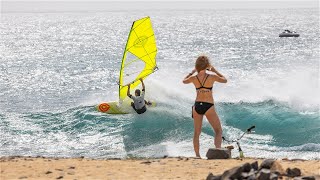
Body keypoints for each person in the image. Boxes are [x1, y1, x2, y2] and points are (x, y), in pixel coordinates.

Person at [183, 55, 227, 158]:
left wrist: (192, 72)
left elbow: (184, 81)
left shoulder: (194, 78)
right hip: (208, 105)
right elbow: (224, 80)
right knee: (218, 130)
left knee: (197, 132)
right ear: (207, 65)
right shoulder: (212, 77)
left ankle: (197, 155)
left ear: (197, 66)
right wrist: (215, 71)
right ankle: (217, 152)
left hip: (197, 105)